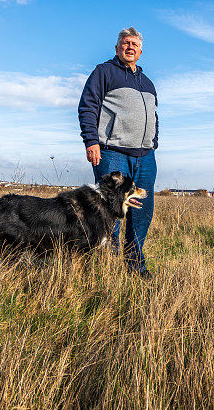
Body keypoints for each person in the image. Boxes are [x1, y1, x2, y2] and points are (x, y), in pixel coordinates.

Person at [78, 26, 158, 278]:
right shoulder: (104, 72)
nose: (130, 47)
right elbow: (87, 106)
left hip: (145, 156)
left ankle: (135, 266)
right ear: (117, 48)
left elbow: (154, 116)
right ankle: (109, 266)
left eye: (134, 44)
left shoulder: (148, 83)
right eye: (125, 43)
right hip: (112, 152)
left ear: (141, 51)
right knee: (108, 210)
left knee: (141, 211)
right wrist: (91, 141)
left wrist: (154, 141)